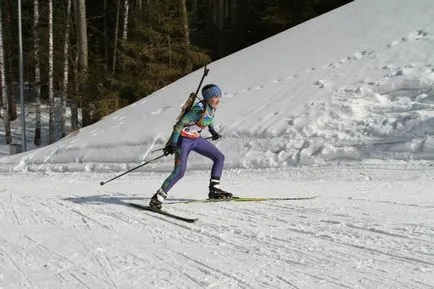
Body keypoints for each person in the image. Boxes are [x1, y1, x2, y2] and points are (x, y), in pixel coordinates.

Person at [149, 84, 233, 209]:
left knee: (219, 157)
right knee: (179, 172)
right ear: (208, 97)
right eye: (215, 96)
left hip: (196, 139)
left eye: (219, 96)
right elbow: (179, 124)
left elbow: (209, 119)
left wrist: (213, 132)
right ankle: (157, 198)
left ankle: (214, 190)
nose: (218, 99)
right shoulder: (197, 109)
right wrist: (173, 143)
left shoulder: (211, 107)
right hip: (184, 141)